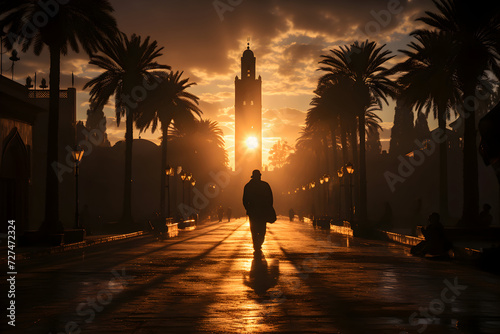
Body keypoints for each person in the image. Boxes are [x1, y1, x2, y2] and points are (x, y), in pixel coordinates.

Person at [243, 169, 274, 257]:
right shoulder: (265, 185)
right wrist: (269, 208)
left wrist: (248, 208)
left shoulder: (248, 186)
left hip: (253, 212)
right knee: (261, 229)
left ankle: (256, 244)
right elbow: (270, 198)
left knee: (254, 229)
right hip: (261, 211)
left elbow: (245, 200)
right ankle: (258, 243)